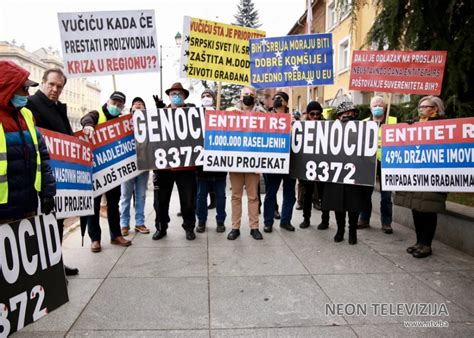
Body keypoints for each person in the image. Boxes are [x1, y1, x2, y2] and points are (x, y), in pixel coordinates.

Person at [26, 67, 79, 276]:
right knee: (44, 226)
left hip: (59, 177)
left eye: (59, 86)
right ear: (43, 83)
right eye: (52, 84)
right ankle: (48, 272)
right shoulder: (31, 105)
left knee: (57, 223)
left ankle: (56, 263)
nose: (55, 89)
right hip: (41, 177)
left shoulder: (59, 108)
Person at [0, 60, 56, 223]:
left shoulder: (26, 115)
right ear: (7, 89)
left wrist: (48, 192)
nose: (28, 94)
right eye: (24, 88)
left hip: (28, 205)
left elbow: (43, 157)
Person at [394, 96, 448, 258]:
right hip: (415, 174)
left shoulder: (445, 126)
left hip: (433, 175)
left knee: (428, 210)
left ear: (435, 108)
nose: (421, 109)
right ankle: (419, 242)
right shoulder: (416, 124)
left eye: (425, 106)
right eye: (420, 106)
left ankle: (427, 244)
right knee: (416, 208)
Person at [80, 91, 131, 252]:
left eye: (119, 104)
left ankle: (116, 235)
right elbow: (86, 118)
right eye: (113, 102)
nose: (115, 106)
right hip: (95, 170)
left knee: (113, 204)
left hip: (113, 170)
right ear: (108, 101)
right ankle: (95, 239)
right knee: (93, 207)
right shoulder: (97, 114)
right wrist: (88, 125)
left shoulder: (122, 120)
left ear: (122, 106)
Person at [322, 101, 372, 245]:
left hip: (355, 171)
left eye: (351, 113)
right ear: (339, 116)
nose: (348, 116)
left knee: (353, 204)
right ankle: (340, 229)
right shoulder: (331, 130)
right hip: (336, 172)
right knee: (338, 204)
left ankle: (352, 231)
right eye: (345, 114)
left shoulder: (362, 129)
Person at [152, 82, 197, 241]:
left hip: (187, 167)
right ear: (168, 96)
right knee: (161, 201)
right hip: (164, 168)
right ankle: (161, 227)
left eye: (179, 94)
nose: (176, 96)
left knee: (188, 201)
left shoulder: (192, 113)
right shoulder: (159, 114)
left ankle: (189, 227)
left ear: (184, 96)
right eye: (173, 94)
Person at [226, 86, 266, 240]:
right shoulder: (230, 111)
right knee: (236, 196)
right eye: (245, 94)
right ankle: (235, 227)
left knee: (253, 196)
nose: (248, 96)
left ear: (255, 97)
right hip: (235, 161)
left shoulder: (262, 113)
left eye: (251, 94)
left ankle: (254, 227)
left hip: (253, 161)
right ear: (240, 96)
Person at [358, 96, 397, 234]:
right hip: (369, 161)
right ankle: (364, 219)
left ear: (385, 107)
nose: (377, 108)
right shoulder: (364, 124)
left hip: (386, 161)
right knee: (365, 192)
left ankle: (386, 223)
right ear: (370, 108)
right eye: (375, 105)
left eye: (380, 105)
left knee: (386, 195)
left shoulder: (393, 122)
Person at [263, 91, 296, 233]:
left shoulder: (294, 118)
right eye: (275, 98)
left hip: (290, 162)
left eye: (280, 98)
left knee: (289, 193)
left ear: (286, 102)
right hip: (273, 161)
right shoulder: (266, 118)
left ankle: (285, 221)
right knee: (271, 193)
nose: (276, 100)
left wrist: (295, 126)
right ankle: (268, 222)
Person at [196, 89, 227, 233]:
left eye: (208, 96)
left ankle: (220, 221)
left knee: (220, 195)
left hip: (219, 163)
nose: (206, 98)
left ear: (214, 99)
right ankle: (201, 221)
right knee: (201, 196)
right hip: (201, 164)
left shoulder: (222, 115)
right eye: (203, 96)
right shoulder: (194, 116)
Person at [119, 97, 150, 236]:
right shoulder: (123, 122)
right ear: (131, 108)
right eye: (135, 103)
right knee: (125, 196)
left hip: (143, 164)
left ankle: (139, 223)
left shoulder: (149, 123)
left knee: (141, 195)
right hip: (127, 165)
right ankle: (124, 224)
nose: (138, 104)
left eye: (141, 104)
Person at [299, 101, 331, 230]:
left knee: (324, 195)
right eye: (312, 114)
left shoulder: (328, 126)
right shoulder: (301, 127)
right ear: (307, 114)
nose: (315, 117)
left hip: (323, 165)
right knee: (308, 194)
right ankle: (306, 218)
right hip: (307, 165)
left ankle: (325, 220)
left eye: (318, 114)